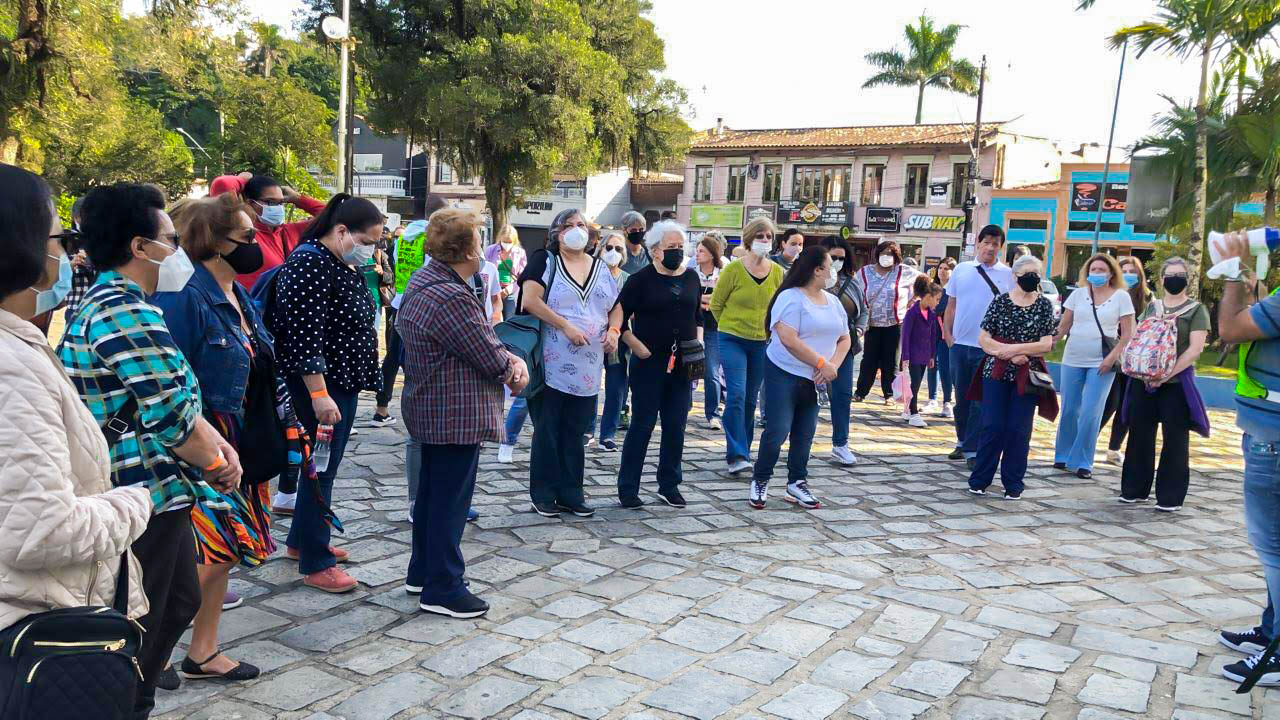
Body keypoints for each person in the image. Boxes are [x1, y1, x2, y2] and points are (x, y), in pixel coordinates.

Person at [57, 182, 244, 719]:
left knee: (178, 597)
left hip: (156, 484)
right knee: (149, 610)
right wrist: (218, 462)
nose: (179, 251)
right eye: (171, 239)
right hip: (140, 488)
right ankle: (124, 702)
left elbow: (171, 396)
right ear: (140, 247)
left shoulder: (125, 305)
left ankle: (131, 697)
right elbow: (169, 413)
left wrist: (214, 443)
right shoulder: (123, 311)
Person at [0, 164, 154, 706]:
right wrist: (133, 502)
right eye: (59, 239)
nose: (68, 255)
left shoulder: (22, 345)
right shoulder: (10, 369)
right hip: (32, 630)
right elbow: (41, 530)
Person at [155, 193, 315, 681]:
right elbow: (171, 382)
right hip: (206, 441)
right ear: (212, 241)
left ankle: (201, 651)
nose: (256, 242)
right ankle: (152, 652)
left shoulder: (237, 294)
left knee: (223, 555)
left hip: (244, 439)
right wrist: (199, 446)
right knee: (206, 551)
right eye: (246, 236)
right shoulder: (184, 297)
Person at [398, 208, 529, 619]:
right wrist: (514, 367)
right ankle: (444, 586)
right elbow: (484, 351)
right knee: (449, 502)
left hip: (430, 404)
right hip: (452, 410)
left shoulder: (425, 279)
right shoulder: (451, 294)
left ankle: (422, 571)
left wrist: (506, 359)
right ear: (469, 249)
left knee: (432, 496)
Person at [268, 194, 385, 592]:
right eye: (367, 241)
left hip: (340, 381)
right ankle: (317, 561)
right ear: (341, 231)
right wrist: (319, 394)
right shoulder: (311, 263)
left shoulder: (337, 261)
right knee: (321, 469)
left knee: (320, 467)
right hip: (321, 386)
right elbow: (304, 336)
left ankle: (302, 541)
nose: (371, 249)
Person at [519, 208, 622, 517]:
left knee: (576, 431)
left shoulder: (600, 267)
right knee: (548, 429)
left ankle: (571, 492)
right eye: (568, 225)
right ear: (557, 232)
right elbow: (530, 300)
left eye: (581, 224)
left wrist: (614, 331)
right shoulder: (546, 260)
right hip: (551, 361)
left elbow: (616, 306)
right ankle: (544, 493)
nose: (576, 229)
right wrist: (564, 325)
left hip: (589, 364)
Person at [1213, 229, 1280, 685]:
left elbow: (1231, 329)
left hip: (1272, 436)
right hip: (1268, 429)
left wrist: (1233, 272)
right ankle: (1272, 630)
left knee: (1273, 546)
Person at [750, 245, 850, 509]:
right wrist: (820, 362)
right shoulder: (791, 298)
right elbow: (788, 339)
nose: (834, 271)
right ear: (817, 270)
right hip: (784, 372)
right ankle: (761, 478)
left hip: (816, 379)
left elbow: (845, 338)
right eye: (830, 265)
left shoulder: (833, 302)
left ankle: (797, 482)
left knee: (805, 432)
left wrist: (831, 366)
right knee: (778, 429)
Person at [616, 219, 702, 508]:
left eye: (680, 246)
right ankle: (628, 488)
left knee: (676, 425)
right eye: (670, 246)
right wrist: (637, 346)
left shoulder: (691, 278)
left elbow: (697, 316)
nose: (677, 251)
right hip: (649, 363)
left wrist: (698, 345)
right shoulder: (639, 280)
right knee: (642, 425)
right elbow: (617, 317)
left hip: (683, 363)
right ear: (655, 250)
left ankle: (669, 484)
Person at [1118, 257, 1211, 511]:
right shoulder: (1152, 307)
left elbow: (1195, 349)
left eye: (1180, 276)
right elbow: (1139, 338)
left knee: (1175, 439)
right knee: (1139, 433)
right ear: (1161, 279)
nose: (1174, 280)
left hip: (1176, 383)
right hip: (1144, 380)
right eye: (1170, 275)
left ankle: (1170, 497)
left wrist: (1166, 374)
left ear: (1187, 280)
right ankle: (1134, 489)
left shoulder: (1196, 310)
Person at [966, 254, 1057, 499]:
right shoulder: (1000, 301)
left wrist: (1016, 350)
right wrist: (1005, 353)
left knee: (1019, 428)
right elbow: (984, 338)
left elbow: (1046, 344)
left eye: (1036, 274)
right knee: (992, 425)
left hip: (1027, 373)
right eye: (1027, 274)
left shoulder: (1044, 305)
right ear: (1015, 276)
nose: (1032, 278)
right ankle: (980, 479)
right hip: (996, 371)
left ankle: (1013, 484)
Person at [710, 216, 785, 474]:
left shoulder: (778, 273)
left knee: (751, 399)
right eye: (760, 236)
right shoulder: (733, 269)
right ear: (749, 239)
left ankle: (744, 448)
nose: (765, 240)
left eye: (769, 236)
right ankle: (736, 454)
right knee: (737, 394)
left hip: (761, 342)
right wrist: (729, 326)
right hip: (732, 338)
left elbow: (781, 307)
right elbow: (716, 305)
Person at [1051, 254, 1135, 479]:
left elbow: (1128, 333)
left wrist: (1112, 358)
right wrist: (1049, 341)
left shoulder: (1121, 297)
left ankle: (1083, 461)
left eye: (1101, 270)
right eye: (1093, 269)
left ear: (1111, 274)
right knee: (1069, 409)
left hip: (1102, 362)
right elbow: (1064, 325)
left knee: (1091, 412)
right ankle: (1063, 454)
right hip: (1073, 359)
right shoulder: (1078, 294)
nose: (1096, 273)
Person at [945, 225, 1014, 468]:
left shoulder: (1007, 275)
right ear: (978, 244)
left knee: (979, 400)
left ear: (1000, 247)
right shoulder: (962, 270)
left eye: (995, 244)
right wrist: (948, 335)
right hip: (959, 345)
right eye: (986, 242)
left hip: (988, 348)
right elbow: (951, 305)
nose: (990, 248)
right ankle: (962, 440)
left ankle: (973, 449)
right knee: (961, 397)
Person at [208, 173, 326, 289]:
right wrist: (244, 179)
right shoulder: (242, 233)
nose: (277, 207)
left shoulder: (289, 231)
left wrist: (297, 198)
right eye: (270, 202)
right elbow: (222, 184)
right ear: (250, 203)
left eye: (281, 202)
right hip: (247, 300)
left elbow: (333, 216)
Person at [1099, 255, 1150, 465]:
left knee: (1126, 405)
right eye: (1124, 272)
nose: (1128, 276)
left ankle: (1114, 448)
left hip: (1135, 360)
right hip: (1111, 355)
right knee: (1108, 402)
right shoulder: (1110, 296)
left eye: (1132, 272)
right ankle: (1086, 440)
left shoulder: (1147, 300)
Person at [821, 237, 868, 466]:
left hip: (845, 343)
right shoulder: (810, 280)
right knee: (803, 394)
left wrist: (858, 330)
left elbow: (864, 311)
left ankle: (841, 443)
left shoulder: (852, 282)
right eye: (833, 257)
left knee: (842, 395)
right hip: (814, 343)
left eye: (841, 258)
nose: (837, 262)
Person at [853, 240, 917, 404]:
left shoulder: (903, 271)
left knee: (891, 360)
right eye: (883, 253)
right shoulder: (865, 272)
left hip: (895, 324)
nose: (886, 256)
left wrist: (912, 301)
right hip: (872, 324)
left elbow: (924, 282)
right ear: (877, 254)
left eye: (890, 253)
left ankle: (889, 394)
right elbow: (855, 291)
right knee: (869, 359)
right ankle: (860, 392)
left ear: (896, 256)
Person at [588, 231, 631, 451]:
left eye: (618, 249)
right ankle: (587, 430)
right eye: (609, 248)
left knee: (616, 388)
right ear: (601, 249)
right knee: (590, 383)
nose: (613, 252)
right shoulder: (590, 273)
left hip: (618, 340)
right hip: (591, 337)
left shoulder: (627, 279)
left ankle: (608, 434)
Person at [692, 232, 726, 427]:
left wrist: (703, 300)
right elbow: (689, 297)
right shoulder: (691, 272)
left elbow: (720, 300)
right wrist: (703, 300)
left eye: (702, 251)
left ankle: (713, 413)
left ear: (712, 254)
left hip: (714, 327)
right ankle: (683, 406)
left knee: (711, 371)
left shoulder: (723, 273)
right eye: (697, 251)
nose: (697, 254)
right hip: (692, 325)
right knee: (687, 368)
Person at [900, 275, 943, 428]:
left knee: (916, 384)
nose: (938, 303)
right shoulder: (912, 312)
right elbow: (905, 335)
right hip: (912, 354)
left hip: (924, 355)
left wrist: (932, 355)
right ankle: (913, 413)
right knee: (915, 383)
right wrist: (905, 356)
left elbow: (933, 335)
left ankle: (908, 409)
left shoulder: (931, 314)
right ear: (929, 296)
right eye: (937, 299)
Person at [370, 227, 399, 425]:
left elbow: (391, 276)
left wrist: (382, 272)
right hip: (357, 305)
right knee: (392, 357)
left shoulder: (381, 254)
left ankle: (382, 408)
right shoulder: (347, 254)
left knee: (392, 356)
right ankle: (381, 408)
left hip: (378, 304)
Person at [925, 258, 956, 417]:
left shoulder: (953, 289)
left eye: (946, 268)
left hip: (947, 332)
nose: (942, 271)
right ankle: (932, 399)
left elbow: (943, 309)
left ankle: (947, 401)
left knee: (945, 367)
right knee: (931, 364)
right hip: (932, 331)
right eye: (940, 268)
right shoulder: (932, 288)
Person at [485, 224, 527, 320]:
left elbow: (523, 276)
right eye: (504, 241)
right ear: (500, 238)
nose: (507, 244)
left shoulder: (520, 253)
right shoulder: (491, 250)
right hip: (493, 291)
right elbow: (486, 271)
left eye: (509, 242)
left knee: (509, 320)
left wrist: (508, 290)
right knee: (493, 319)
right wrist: (495, 289)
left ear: (514, 241)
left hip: (510, 292)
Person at [619, 210, 651, 275]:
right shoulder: (619, 252)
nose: (638, 232)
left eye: (641, 229)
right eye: (633, 230)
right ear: (624, 230)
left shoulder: (649, 252)